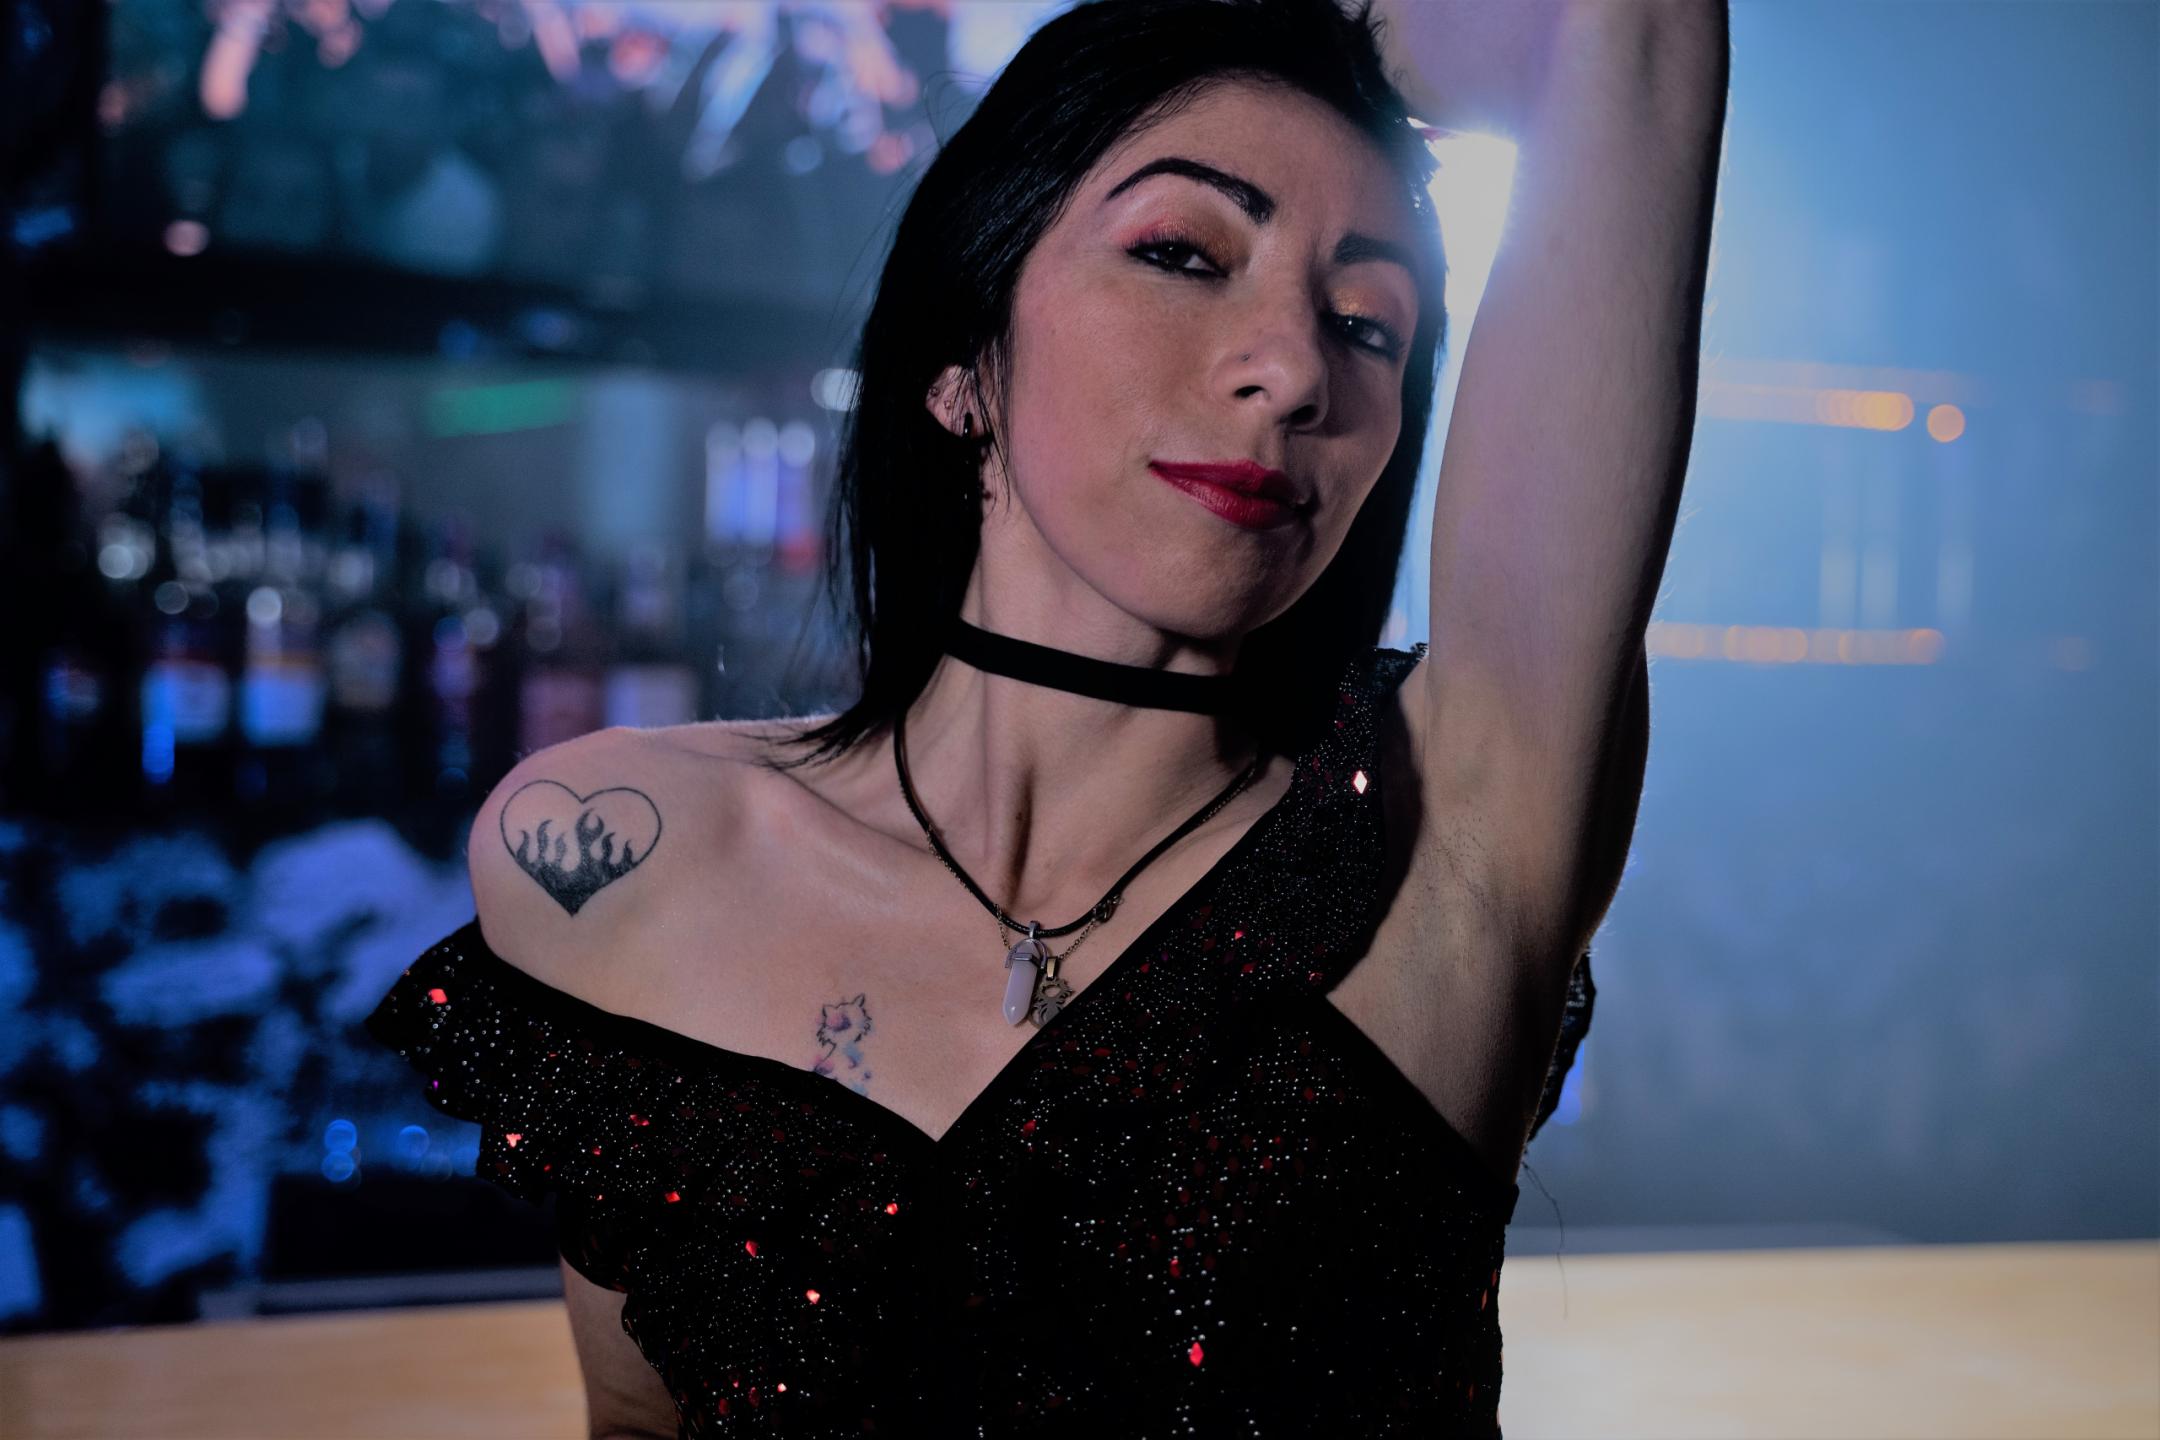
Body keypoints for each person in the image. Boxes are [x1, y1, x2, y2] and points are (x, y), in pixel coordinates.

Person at [367, 0, 1727, 1433]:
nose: (1293, 369)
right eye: (1183, 254)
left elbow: (1638, 38)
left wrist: (1348, 29)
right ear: (963, 355)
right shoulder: (616, 855)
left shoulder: (1447, 834)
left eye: (1366, 325)